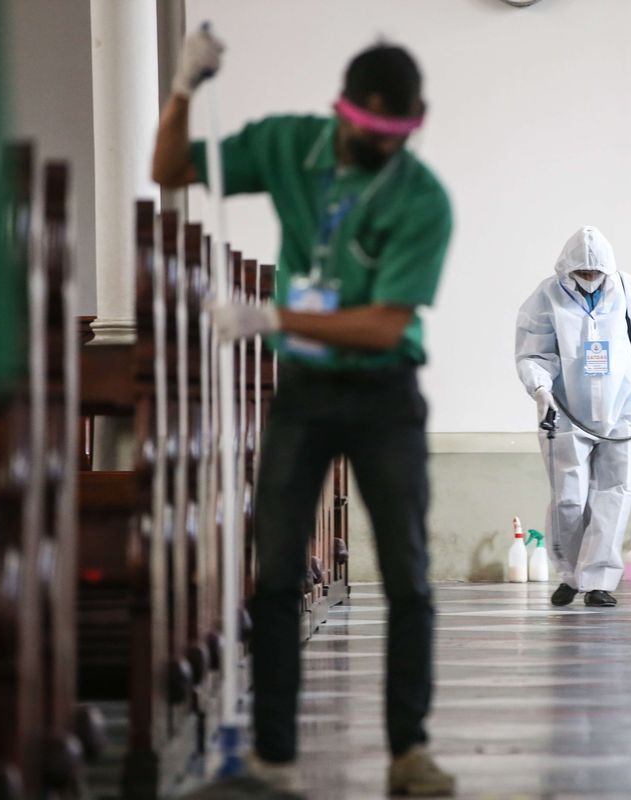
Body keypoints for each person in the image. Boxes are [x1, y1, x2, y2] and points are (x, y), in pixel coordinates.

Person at [153, 29, 455, 797]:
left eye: (396, 134)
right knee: (278, 571)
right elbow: (170, 169)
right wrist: (184, 87)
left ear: (413, 126)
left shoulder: (422, 199)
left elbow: (387, 323)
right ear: (341, 110)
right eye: (368, 127)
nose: (379, 143)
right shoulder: (290, 145)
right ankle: (275, 759)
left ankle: (407, 751)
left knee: (409, 575)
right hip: (307, 394)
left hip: (385, 391)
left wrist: (275, 320)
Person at [515, 226, 631, 608]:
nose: (589, 280)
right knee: (568, 498)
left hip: (619, 410)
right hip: (566, 412)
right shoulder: (547, 296)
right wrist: (540, 389)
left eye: (595, 274)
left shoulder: (627, 290)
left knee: (615, 493)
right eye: (582, 274)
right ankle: (570, 575)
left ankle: (599, 580)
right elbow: (534, 351)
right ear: (567, 270)